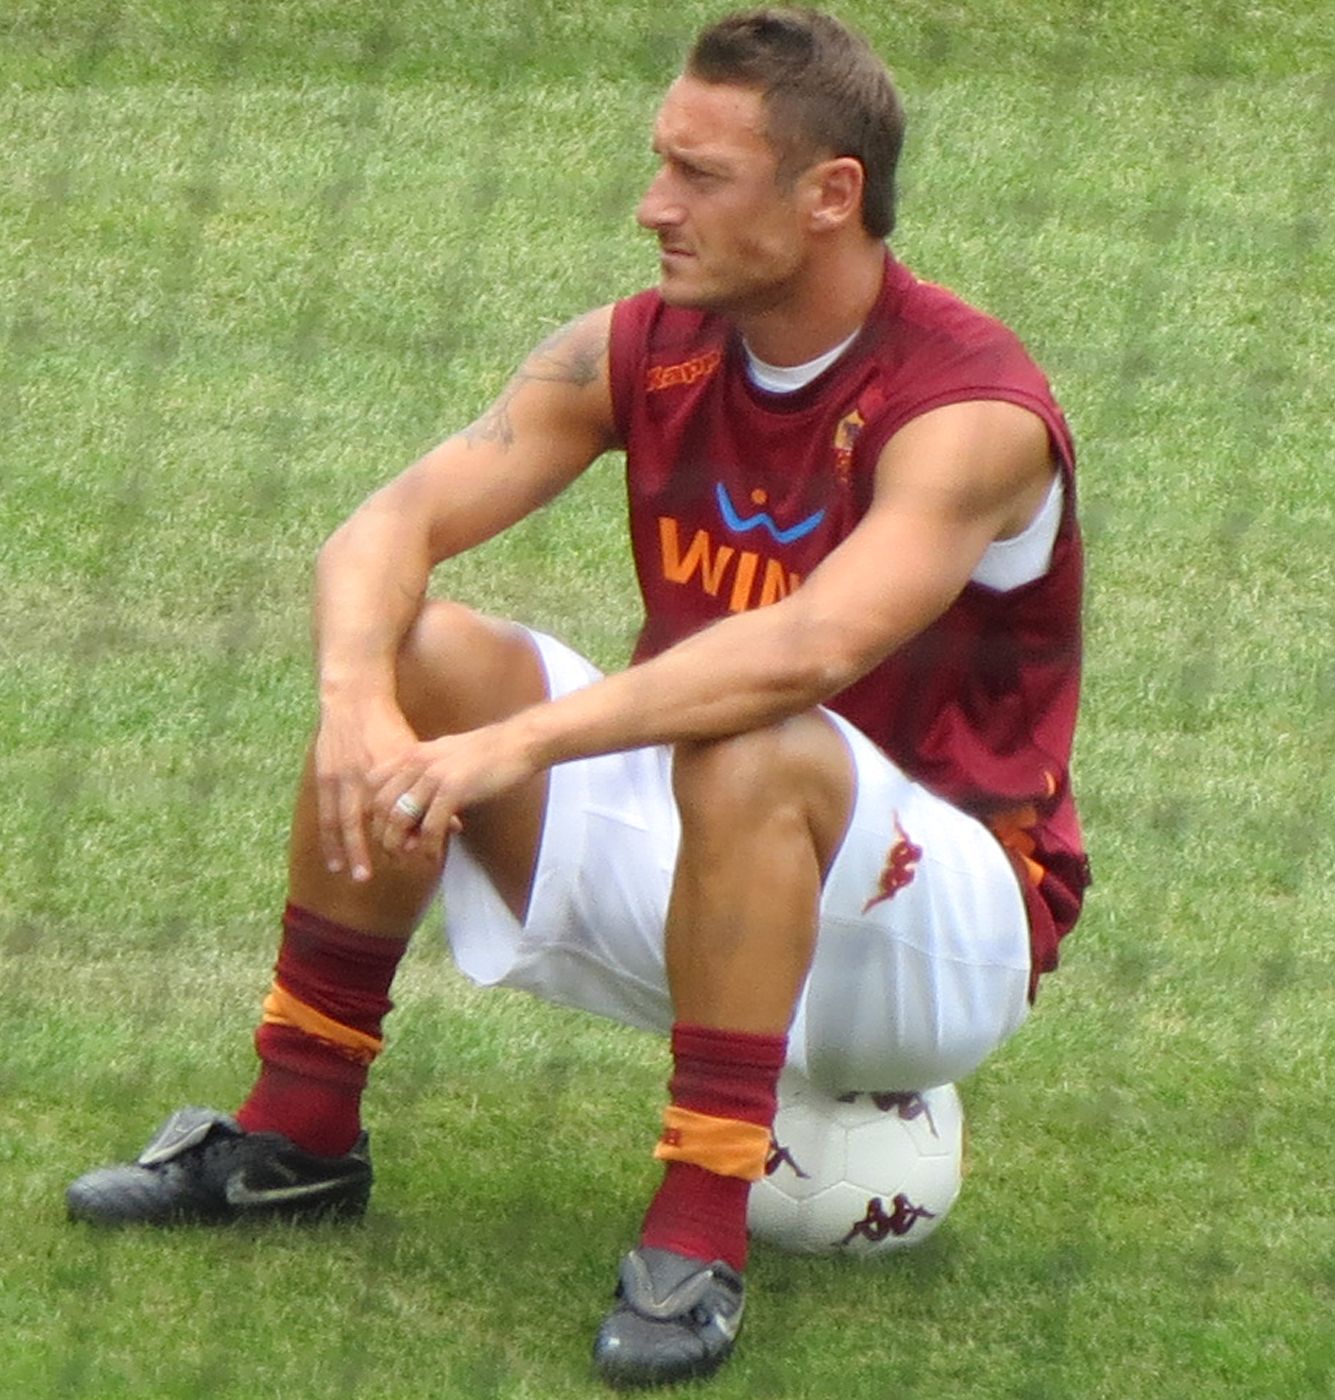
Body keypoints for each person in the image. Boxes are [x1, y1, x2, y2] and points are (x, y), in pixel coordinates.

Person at [66, 6, 1090, 1389]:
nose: (652, 205)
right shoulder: (641, 348)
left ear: (830, 194)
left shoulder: (970, 410)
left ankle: (698, 1233)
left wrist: (520, 745)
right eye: (661, 162)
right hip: (719, 865)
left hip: (940, 935)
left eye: (700, 175)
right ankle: (297, 1130)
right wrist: (363, 706)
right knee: (422, 653)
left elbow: (807, 651)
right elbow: (384, 529)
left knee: (750, 737)